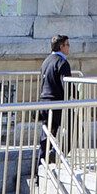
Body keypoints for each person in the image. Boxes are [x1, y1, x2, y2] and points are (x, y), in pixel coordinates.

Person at [37, 34, 72, 167]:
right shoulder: (62, 62)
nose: (69, 48)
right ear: (61, 46)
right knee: (75, 127)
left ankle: (40, 167)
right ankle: (57, 153)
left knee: (46, 136)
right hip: (57, 103)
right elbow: (66, 85)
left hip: (44, 102)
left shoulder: (46, 61)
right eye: (67, 45)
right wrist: (78, 96)